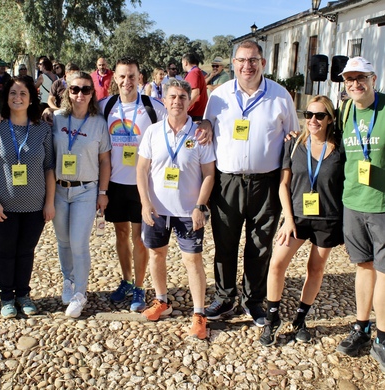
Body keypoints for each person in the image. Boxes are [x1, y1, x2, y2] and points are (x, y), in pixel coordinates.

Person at [203, 40, 300, 326]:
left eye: (253, 60)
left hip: (266, 183)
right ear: (233, 63)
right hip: (227, 183)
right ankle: (224, 297)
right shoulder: (219, 96)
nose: (247, 65)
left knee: (260, 244)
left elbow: (292, 140)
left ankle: (253, 300)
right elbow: (206, 134)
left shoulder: (280, 96)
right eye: (242, 60)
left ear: (263, 63)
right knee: (225, 242)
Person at [259, 95, 344, 346]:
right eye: (309, 115)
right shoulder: (294, 144)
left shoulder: (339, 148)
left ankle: (300, 319)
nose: (313, 120)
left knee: (315, 269)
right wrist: (287, 219)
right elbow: (283, 184)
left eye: (319, 116)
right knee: (276, 264)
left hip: (327, 218)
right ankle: (272, 318)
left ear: (330, 119)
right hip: (296, 217)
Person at [137, 79, 215, 339]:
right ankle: (162, 301)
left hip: (187, 211)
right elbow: (141, 169)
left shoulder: (199, 134)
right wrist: (145, 203)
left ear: (189, 100)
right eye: (172, 97)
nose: (177, 102)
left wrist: (200, 206)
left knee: (192, 260)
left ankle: (199, 313)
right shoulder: (153, 131)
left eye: (182, 97)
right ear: (164, 100)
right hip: (157, 210)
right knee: (157, 255)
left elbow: (209, 175)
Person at [0, 76, 56, 318]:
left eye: (23, 93)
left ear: (32, 98)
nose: (17, 97)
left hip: (34, 206)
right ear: (6, 97)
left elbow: (49, 168)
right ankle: (6, 298)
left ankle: (23, 294)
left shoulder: (42, 129)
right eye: (13, 93)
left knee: (26, 251)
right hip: (1, 207)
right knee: (4, 251)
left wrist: (50, 202)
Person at [98, 56, 168, 312]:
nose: (127, 81)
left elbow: (172, 132)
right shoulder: (105, 106)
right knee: (121, 234)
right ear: (114, 78)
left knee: (139, 238)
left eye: (132, 76)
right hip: (115, 183)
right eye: (122, 76)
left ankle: (139, 286)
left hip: (142, 185)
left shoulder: (154, 108)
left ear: (140, 78)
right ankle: (126, 280)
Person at [335, 57, 385, 371]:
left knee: (384, 272)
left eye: (360, 78)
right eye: (349, 79)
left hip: (382, 205)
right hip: (353, 202)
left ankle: (382, 337)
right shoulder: (345, 111)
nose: (355, 84)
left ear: (374, 78)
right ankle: (362, 327)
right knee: (363, 267)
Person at [52, 72, 111, 318]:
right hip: (58, 188)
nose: (80, 94)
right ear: (67, 92)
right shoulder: (55, 119)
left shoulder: (98, 122)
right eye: (75, 89)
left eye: (86, 90)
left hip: (86, 190)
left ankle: (80, 293)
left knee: (78, 242)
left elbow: (105, 160)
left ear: (92, 94)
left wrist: (103, 192)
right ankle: (69, 280)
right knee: (63, 241)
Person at [182, 53, 208, 122]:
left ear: (185, 63)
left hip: (194, 112)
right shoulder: (197, 71)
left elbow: (195, 92)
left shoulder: (193, 72)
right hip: (197, 112)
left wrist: (185, 107)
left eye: (182, 63)